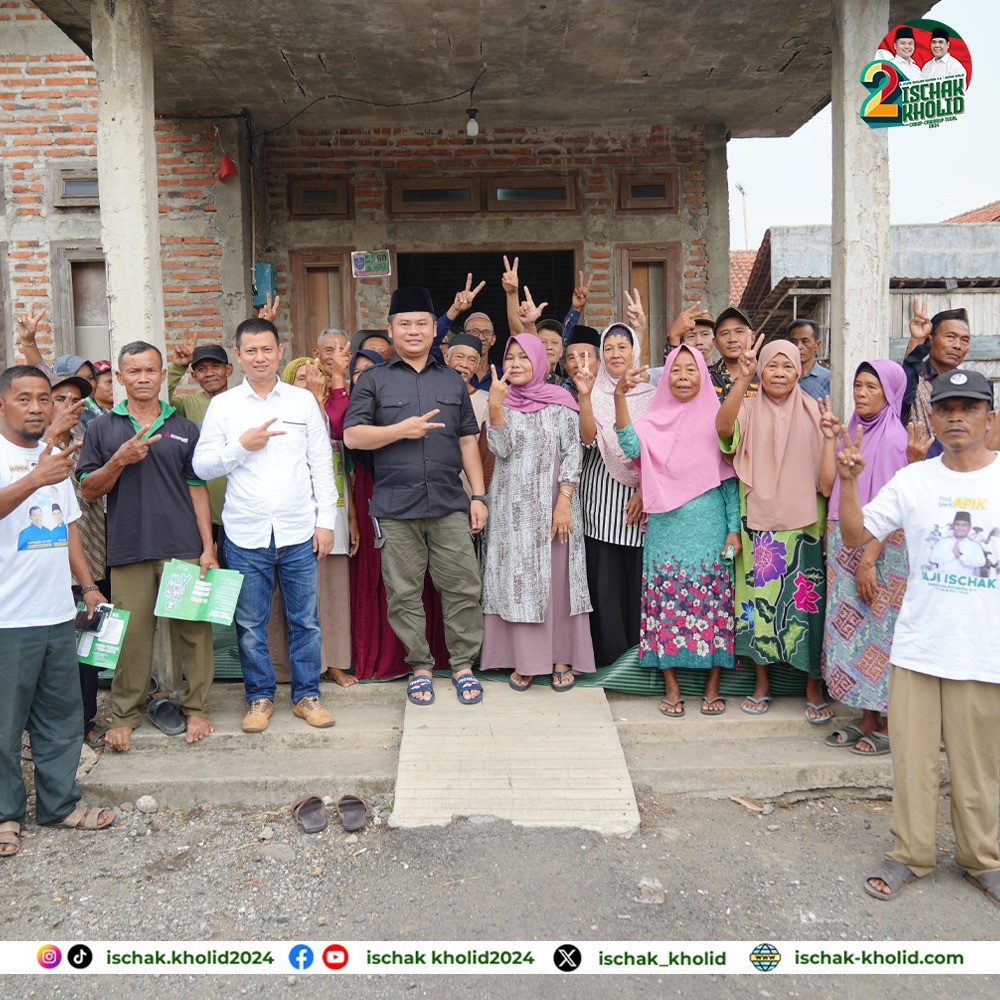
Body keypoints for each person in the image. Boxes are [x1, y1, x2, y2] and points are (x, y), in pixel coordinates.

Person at [837, 368, 1000, 908]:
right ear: (931, 417)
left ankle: (982, 860)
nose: (956, 416)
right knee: (912, 761)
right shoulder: (914, 481)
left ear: (989, 419)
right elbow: (857, 535)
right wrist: (848, 481)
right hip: (918, 647)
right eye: (947, 407)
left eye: (969, 407)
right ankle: (911, 855)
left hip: (982, 649)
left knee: (979, 764)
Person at [343, 287, 488, 706]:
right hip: (396, 507)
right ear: (390, 330)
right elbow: (353, 435)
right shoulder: (374, 380)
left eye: (421, 323)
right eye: (404, 324)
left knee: (463, 586)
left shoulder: (451, 381)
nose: (413, 331)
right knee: (404, 593)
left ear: (433, 330)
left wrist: (478, 496)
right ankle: (420, 666)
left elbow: (466, 443)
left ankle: (462, 665)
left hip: (448, 504)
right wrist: (398, 431)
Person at [193, 318, 339, 734]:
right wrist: (241, 446)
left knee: (305, 620)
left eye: (267, 349)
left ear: (280, 351)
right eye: (251, 351)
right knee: (251, 624)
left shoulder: (300, 402)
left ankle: (307, 696)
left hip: (297, 530)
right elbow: (200, 465)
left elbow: (320, 467)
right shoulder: (224, 406)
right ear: (238, 356)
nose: (260, 357)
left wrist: (324, 522)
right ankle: (258, 698)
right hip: (245, 532)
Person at [77, 341, 217, 753]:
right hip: (129, 547)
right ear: (120, 378)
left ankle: (197, 706)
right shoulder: (103, 428)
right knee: (132, 636)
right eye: (133, 371)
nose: (143, 378)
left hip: (184, 545)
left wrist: (208, 547)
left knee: (194, 631)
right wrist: (120, 459)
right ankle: (125, 714)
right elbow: (88, 490)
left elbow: (198, 491)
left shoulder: (185, 428)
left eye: (150, 370)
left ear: (161, 375)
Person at [0, 365, 115, 858]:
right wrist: (33, 479)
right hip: (7, 620)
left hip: (53, 613)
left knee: (61, 718)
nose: (35, 407)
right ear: (2, 404)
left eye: (43, 399)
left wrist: (87, 586)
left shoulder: (55, 457)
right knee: (5, 727)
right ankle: (5, 816)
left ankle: (59, 804)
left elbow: (69, 526)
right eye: (23, 398)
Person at [616, 345, 740, 717]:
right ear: (665, 377)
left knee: (715, 604)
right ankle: (672, 686)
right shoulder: (653, 421)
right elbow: (629, 444)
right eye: (676, 370)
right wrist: (620, 397)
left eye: (691, 370)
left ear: (703, 375)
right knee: (666, 605)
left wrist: (733, 529)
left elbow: (730, 484)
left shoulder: (717, 421)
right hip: (666, 529)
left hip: (710, 527)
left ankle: (712, 685)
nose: (683, 377)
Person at [716, 337, 833, 722]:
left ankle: (812, 684)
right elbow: (723, 431)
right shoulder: (747, 407)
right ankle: (761, 682)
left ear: (799, 371)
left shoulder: (817, 412)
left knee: (806, 606)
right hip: (759, 525)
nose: (779, 373)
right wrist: (742, 380)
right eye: (772, 366)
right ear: (761, 371)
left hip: (805, 526)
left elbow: (829, 479)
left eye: (787, 366)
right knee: (756, 605)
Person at [480, 335, 594, 690]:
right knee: (517, 581)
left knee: (557, 583)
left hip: (554, 508)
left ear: (539, 362)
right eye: (510, 358)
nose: (515, 364)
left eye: (523, 358)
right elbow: (501, 450)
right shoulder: (500, 402)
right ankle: (524, 660)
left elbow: (573, 454)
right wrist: (496, 409)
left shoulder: (561, 402)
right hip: (510, 512)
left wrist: (563, 502)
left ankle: (561, 657)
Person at [345, 350, 451, 681]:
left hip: (426, 496)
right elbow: (351, 442)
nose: (364, 376)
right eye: (357, 371)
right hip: (372, 492)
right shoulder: (359, 406)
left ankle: (434, 657)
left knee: (430, 581)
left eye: (371, 369)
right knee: (389, 582)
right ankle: (392, 657)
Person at [822, 361, 910, 756]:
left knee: (880, 632)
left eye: (871, 387)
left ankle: (890, 724)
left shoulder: (894, 438)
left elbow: (895, 512)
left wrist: (869, 558)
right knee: (851, 633)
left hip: (880, 549)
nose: (861, 393)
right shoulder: (853, 432)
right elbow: (832, 486)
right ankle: (867, 717)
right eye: (857, 385)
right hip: (843, 540)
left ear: (890, 393)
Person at [268, 356, 358, 688]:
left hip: (331, 513)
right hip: (291, 520)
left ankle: (333, 662)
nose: (310, 383)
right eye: (302, 379)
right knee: (289, 599)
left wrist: (350, 518)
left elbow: (343, 467)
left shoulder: (332, 412)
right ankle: (285, 668)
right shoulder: (282, 416)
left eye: (316, 377)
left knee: (333, 592)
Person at [573, 322, 653, 665]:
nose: (616, 354)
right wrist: (586, 397)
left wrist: (644, 489)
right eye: (609, 348)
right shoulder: (593, 389)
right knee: (604, 587)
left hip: (642, 503)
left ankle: (636, 659)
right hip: (601, 506)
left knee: (635, 585)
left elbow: (657, 450)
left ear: (634, 350)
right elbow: (589, 438)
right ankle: (609, 660)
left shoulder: (651, 395)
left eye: (623, 346)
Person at [44, 366, 110, 750]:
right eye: (59, 398)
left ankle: (85, 719)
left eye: (75, 399)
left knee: (87, 648)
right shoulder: (31, 446)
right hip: (49, 564)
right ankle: (49, 729)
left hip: (94, 556)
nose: (68, 405)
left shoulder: (90, 438)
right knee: (53, 649)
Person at [168, 336, 235, 560]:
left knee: (236, 582)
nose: (209, 373)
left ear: (229, 369)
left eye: (216, 366)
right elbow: (159, 400)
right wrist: (177, 367)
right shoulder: (187, 405)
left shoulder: (242, 402)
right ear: (193, 375)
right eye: (201, 369)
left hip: (237, 509)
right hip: (200, 511)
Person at [902, 303, 973, 460]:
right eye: (950, 337)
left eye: (965, 340)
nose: (957, 346)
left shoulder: (971, 387)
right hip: (919, 469)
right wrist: (917, 340)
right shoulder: (915, 381)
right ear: (931, 340)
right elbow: (902, 385)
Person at [445, 333, 494, 494]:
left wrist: (480, 499)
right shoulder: (429, 393)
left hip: (465, 495)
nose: (464, 364)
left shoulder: (485, 403)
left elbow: (487, 462)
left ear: (478, 365)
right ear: (447, 358)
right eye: (459, 357)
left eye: (472, 360)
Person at [709, 307, 760, 401]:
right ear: (715, 342)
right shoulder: (705, 377)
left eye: (739, 332)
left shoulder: (764, 376)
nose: (732, 339)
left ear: (752, 338)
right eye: (724, 333)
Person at [787, 319, 830, 401]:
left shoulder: (828, 379)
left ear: (817, 345)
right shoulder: (783, 377)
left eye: (805, 341)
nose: (798, 347)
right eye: (793, 342)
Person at [563, 325, 601, 401]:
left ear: (599, 361)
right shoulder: (559, 394)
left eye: (584, 356)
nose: (578, 364)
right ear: (565, 365)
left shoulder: (611, 392)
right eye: (572, 358)